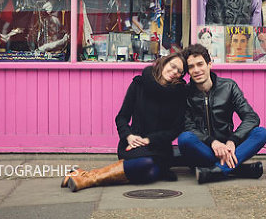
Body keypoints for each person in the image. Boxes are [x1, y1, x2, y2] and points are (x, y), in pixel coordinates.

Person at [63, 52, 187, 191]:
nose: (174, 72)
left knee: (150, 173)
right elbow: (122, 117)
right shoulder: (139, 85)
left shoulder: (179, 94)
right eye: (173, 66)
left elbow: (176, 129)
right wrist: (129, 136)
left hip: (159, 148)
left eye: (180, 71)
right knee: (146, 164)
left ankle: (85, 176)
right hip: (133, 144)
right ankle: (88, 178)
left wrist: (149, 140)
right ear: (164, 63)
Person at [177, 44, 266, 184]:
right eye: (191, 67)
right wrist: (212, 142)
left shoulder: (228, 86)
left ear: (209, 64)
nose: (196, 70)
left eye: (200, 64)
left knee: (261, 133)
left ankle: (218, 170)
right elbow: (187, 125)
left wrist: (233, 141)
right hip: (202, 149)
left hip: (227, 145)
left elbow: (251, 117)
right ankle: (236, 168)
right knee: (185, 138)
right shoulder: (184, 92)